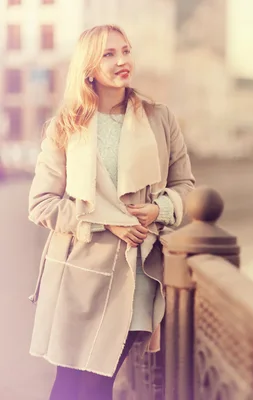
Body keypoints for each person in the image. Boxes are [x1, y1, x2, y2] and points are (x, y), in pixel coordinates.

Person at [27, 24, 195, 399]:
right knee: (71, 386)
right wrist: (106, 220)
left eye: (126, 51)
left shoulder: (159, 118)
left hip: (134, 278)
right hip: (77, 277)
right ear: (88, 65)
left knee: (96, 385)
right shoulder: (65, 127)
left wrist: (158, 209)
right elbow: (41, 204)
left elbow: (185, 186)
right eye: (109, 54)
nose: (123, 61)